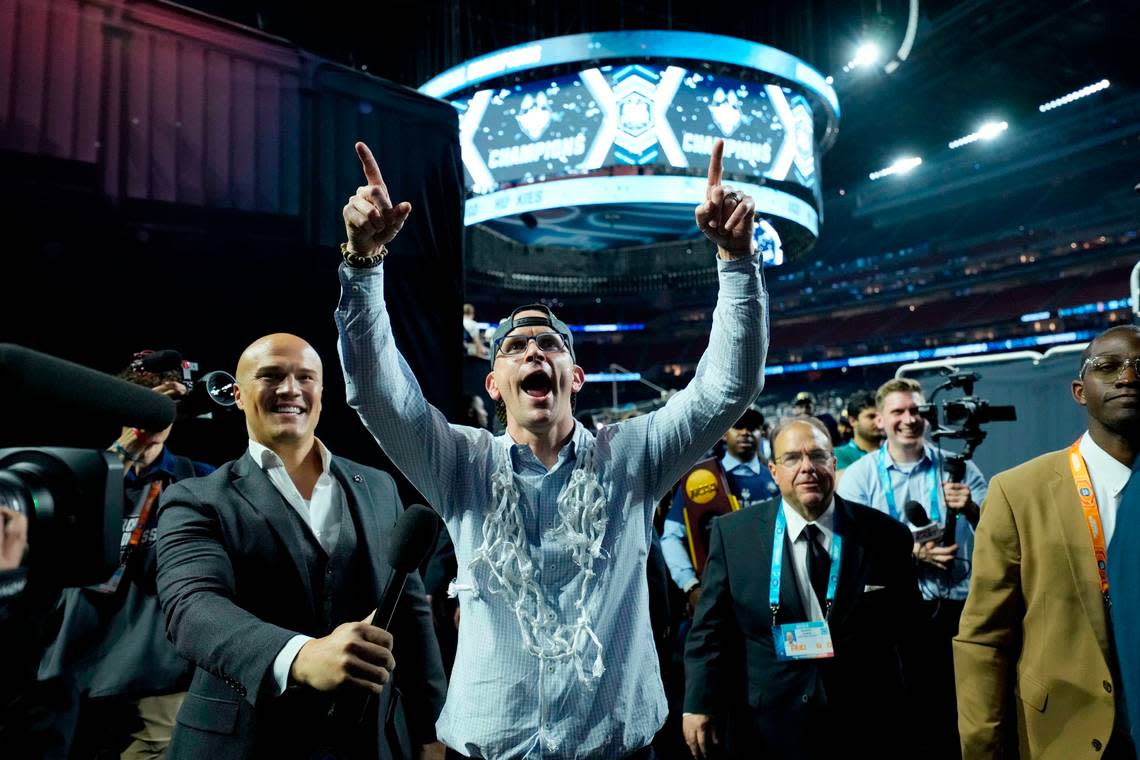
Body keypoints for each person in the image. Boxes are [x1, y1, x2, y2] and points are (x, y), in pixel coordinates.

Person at [335, 138, 767, 759]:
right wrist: (364, 263)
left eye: (551, 344)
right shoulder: (459, 465)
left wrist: (734, 260)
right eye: (516, 346)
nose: (535, 351)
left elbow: (730, 385)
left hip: (615, 751)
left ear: (576, 375)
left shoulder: (635, 457)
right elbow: (378, 393)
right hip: (490, 750)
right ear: (495, 383)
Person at [155, 333, 446, 759]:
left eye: (305, 377)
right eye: (270, 376)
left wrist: (430, 730)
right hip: (246, 742)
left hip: (368, 742)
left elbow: (411, 613)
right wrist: (300, 655)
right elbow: (192, 608)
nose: (290, 389)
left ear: (322, 394)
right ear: (237, 395)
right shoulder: (196, 498)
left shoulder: (378, 486)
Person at [682, 417, 921, 759]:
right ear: (774, 471)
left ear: (833, 464)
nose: (807, 467)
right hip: (769, 724)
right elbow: (709, 631)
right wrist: (698, 703)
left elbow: (912, 634)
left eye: (818, 456)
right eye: (792, 458)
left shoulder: (885, 535)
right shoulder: (734, 535)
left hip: (867, 720)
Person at [955, 325, 1140, 759]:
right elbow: (984, 640)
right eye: (1108, 367)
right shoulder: (1018, 493)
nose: (1128, 379)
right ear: (1080, 390)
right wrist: (982, 747)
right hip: (1063, 736)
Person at [36, 356, 214, 760]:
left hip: (159, 678)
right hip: (68, 673)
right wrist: (120, 456)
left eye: (158, 407)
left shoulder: (198, 481)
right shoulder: (75, 472)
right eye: (136, 403)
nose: (147, 416)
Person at [837, 376, 987, 759]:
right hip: (892, 613)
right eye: (898, 411)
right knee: (906, 712)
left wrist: (969, 508)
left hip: (956, 610)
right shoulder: (858, 478)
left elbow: (997, 534)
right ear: (880, 421)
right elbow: (851, 551)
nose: (909, 419)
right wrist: (913, 555)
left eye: (917, 410)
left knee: (960, 710)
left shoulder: (959, 469)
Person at [661, 408, 781, 607]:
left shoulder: (775, 478)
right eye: (738, 426)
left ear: (762, 433)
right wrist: (690, 586)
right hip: (720, 591)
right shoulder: (700, 479)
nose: (745, 432)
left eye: (752, 427)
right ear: (724, 433)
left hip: (771, 587)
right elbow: (671, 536)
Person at [834, 389, 883, 476]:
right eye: (871, 417)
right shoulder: (839, 454)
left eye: (882, 416)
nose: (879, 421)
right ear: (853, 421)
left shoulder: (893, 451)